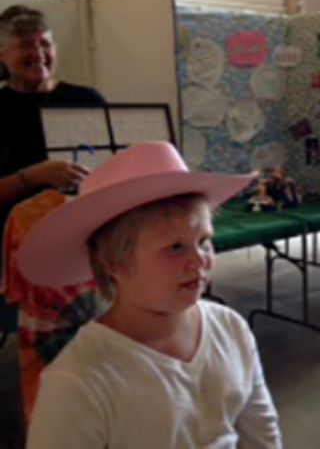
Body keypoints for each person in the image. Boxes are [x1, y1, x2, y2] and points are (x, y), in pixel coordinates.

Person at [20, 141, 281, 448]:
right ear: (113, 262)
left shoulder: (232, 328)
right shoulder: (78, 382)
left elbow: (262, 434)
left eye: (204, 241)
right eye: (175, 247)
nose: (199, 260)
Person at [0, 4, 107, 238]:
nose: (38, 53)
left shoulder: (86, 99)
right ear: (2, 54)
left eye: (45, 44)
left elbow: (111, 171)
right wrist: (33, 176)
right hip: (13, 243)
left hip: (83, 236)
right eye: (25, 45)